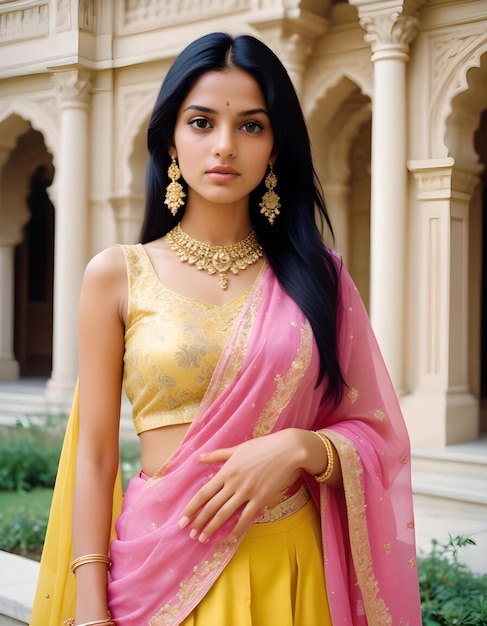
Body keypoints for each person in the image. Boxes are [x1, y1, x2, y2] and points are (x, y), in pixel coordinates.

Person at [31, 31, 422, 626]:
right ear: (170, 139)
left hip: (288, 571)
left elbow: (379, 434)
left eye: (250, 126)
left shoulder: (319, 278)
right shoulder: (117, 275)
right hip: (152, 570)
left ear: (274, 148)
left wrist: (300, 447)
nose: (224, 146)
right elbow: (94, 456)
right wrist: (90, 604)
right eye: (202, 122)